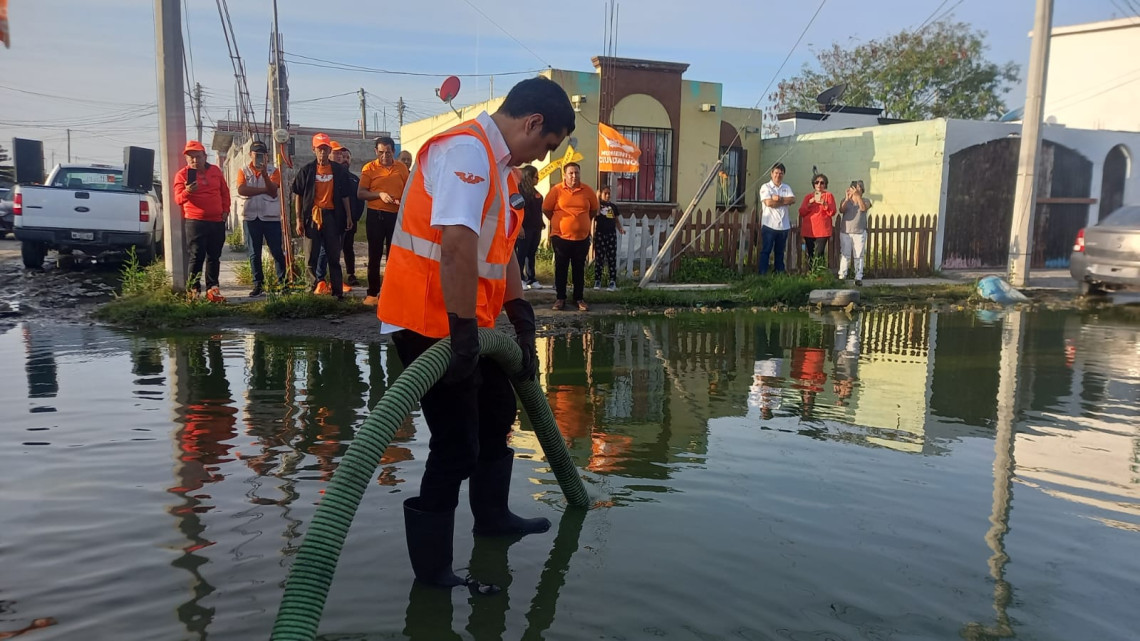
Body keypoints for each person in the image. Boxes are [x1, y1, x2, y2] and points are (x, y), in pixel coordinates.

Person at [377, 76, 575, 590]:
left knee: (497, 414)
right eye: (546, 143)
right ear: (532, 123)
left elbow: (501, 248)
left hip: (471, 322)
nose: (542, 154)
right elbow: (459, 245)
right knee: (456, 443)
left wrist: (520, 313)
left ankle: (491, 519)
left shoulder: (503, 168)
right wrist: (463, 331)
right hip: (428, 322)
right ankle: (433, 572)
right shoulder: (466, 150)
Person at [291, 133, 354, 299]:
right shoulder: (307, 171)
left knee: (333, 256)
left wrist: (348, 216)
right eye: (319, 149)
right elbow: (298, 194)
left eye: (325, 149)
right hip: (312, 218)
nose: (323, 153)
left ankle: (337, 292)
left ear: (329, 150)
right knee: (311, 256)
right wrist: (298, 219)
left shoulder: (339, 170)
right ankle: (311, 289)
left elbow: (345, 195)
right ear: (314, 150)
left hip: (333, 217)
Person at [173, 140, 229, 302]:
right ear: (186, 159)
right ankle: (194, 290)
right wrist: (187, 191)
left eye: (198, 157)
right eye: (191, 158)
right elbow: (178, 199)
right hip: (195, 221)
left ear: (205, 156)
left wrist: (226, 211)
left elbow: (224, 192)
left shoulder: (215, 171)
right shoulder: (182, 175)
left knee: (214, 256)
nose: (195, 161)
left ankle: (213, 289)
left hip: (217, 220)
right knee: (196, 256)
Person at [358, 136, 410, 305]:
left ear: (393, 152)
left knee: (394, 256)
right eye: (381, 153)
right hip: (376, 215)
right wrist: (378, 194)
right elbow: (361, 193)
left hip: (396, 216)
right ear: (376, 151)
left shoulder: (401, 168)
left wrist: (403, 201)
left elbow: (409, 191)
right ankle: (373, 293)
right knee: (374, 255)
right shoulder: (369, 168)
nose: (385, 156)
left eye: (388, 152)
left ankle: (392, 292)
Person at [543, 162, 598, 311]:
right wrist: (559, 222)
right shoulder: (556, 190)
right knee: (561, 267)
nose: (574, 176)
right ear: (564, 175)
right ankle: (560, 298)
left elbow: (593, 210)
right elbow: (546, 209)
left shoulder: (587, 191)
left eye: (577, 173)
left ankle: (578, 299)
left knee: (578, 268)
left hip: (581, 238)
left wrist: (581, 223)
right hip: (560, 237)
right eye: (571, 173)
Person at [236, 140, 286, 297]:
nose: (259, 157)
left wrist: (264, 174)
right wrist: (263, 189)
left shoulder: (273, 171)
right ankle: (258, 284)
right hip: (251, 217)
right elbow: (242, 189)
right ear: (250, 154)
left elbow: (272, 191)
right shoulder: (243, 170)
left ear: (266, 156)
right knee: (254, 253)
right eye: (256, 153)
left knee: (277, 251)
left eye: (262, 154)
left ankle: (283, 283)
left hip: (270, 218)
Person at [335, 144, 366, 287]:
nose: (345, 160)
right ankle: (335, 276)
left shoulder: (354, 179)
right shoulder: (333, 177)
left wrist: (355, 217)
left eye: (348, 157)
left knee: (348, 247)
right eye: (343, 157)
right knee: (334, 248)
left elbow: (360, 200)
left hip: (351, 221)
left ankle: (351, 274)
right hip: (335, 220)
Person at [758, 162, 795, 275]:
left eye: (781, 173)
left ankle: (779, 273)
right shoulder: (766, 187)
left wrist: (778, 199)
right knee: (766, 251)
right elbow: (768, 203)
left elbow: (792, 200)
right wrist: (784, 201)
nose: (778, 175)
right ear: (771, 173)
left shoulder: (786, 187)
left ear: (783, 175)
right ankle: (762, 274)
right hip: (769, 225)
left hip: (783, 225)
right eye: (776, 173)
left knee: (780, 252)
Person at [514, 164, 545, 290]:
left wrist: (541, 222)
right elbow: (516, 210)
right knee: (521, 253)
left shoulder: (536, 193)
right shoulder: (519, 191)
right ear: (528, 177)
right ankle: (519, 278)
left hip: (536, 227)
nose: (537, 179)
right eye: (535, 177)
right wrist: (519, 226)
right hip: (524, 228)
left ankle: (531, 278)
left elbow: (538, 210)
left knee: (531, 253)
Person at [798, 173, 836, 270]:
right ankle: (811, 273)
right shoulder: (808, 197)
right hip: (809, 230)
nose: (819, 185)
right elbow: (802, 212)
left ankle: (819, 274)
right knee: (810, 253)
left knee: (819, 253)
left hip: (822, 230)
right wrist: (809, 203)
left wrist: (824, 204)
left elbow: (832, 212)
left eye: (822, 183)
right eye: (817, 182)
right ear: (814, 184)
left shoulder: (829, 196)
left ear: (825, 184)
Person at [838, 179, 872, 286]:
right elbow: (841, 210)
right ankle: (842, 276)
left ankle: (858, 277)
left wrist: (858, 197)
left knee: (859, 255)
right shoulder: (846, 200)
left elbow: (863, 208)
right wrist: (848, 198)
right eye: (855, 187)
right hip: (846, 232)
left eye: (859, 187)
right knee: (845, 254)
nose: (857, 189)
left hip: (859, 232)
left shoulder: (866, 200)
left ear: (862, 190)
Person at [592, 185, 625, 291]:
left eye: (609, 193)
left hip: (611, 234)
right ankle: (597, 280)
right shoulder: (598, 205)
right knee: (599, 258)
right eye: (605, 193)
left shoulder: (613, 206)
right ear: (600, 194)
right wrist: (597, 198)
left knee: (611, 258)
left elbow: (616, 219)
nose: (607, 195)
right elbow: (596, 214)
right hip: (600, 234)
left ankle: (612, 281)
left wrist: (620, 228)